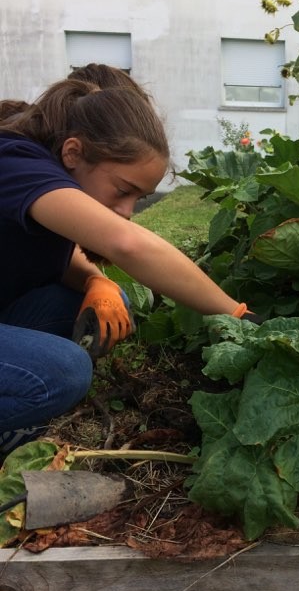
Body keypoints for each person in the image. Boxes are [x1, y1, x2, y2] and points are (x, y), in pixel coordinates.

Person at [0, 70, 257, 454]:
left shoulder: (49, 169)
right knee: (62, 371)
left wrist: (94, 282)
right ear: (73, 152)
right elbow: (127, 244)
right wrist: (238, 314)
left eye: (138, 199)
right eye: (123, 191)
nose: (126, 211)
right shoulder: (15, 160)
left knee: (104, 296)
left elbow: (62, 255)